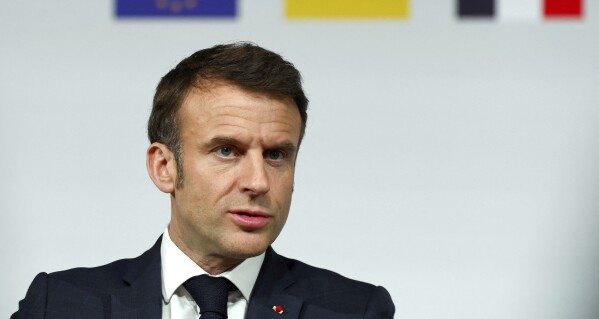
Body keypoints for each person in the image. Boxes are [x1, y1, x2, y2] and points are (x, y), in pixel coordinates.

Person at [12, 42, 395, 318]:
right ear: (165, 167)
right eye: (227, 151)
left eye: (276, 154)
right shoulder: (59, 305)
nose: (258, 182)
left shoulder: (354, 310)